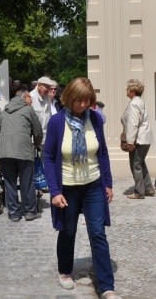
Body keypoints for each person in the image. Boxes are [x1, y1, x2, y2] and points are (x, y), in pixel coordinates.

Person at [44, 77, 120, 299]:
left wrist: (108, 182)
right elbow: (48, 157)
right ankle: (65, 271)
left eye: (87, 100)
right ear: (69, 98)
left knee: (98, 233)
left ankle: (107, 286)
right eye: (78, 100)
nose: (83, 105)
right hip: (67, 187)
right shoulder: (57, 122)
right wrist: (55, 191)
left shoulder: (95, 118)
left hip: (93, 185)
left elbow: (102, 152)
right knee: (68, 231)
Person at [0, 90, 43, 222]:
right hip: (23, 151)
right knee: (27, 182)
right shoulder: (28, 110)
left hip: (5, 153)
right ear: (24, 97)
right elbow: (38, 131)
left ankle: (13, 213)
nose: (32, 99)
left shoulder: (5, 112)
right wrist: (37, 144)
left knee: (9, 182)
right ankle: (30, 211)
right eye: (30, 96)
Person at [121, 79, 155, 199]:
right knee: (141, 163)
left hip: (138, 139)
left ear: (132, 91)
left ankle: (139, 191)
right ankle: (149, 188)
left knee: (135, 164)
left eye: (128, 89)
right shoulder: (140, 102)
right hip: (144, 138)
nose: (126, 91)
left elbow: (132, 123)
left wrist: (130, 141)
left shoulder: (134, 103)